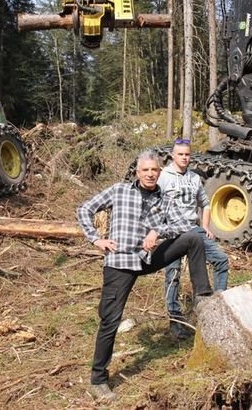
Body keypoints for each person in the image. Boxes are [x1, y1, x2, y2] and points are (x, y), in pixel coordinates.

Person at [77, 150, 213, 402]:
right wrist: (96, 239)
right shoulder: (119, 190)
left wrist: (156, 231)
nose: (150, 174)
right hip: (120, 261)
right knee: (110, 320)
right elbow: (85, 209)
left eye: (154, 170)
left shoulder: (164, 198)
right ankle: (98, 379)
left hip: (148, 257)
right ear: (137, 173)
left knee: (194, 237)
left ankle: (203, 296)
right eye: (145, 170)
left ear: (159, 173)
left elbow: (181, 224)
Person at [158, 138, 229, 339]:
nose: (184, 158)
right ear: (173, 155)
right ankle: (176, 320)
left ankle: (217, 309)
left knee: (221, 260)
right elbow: (154, 204)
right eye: (180, 154)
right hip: (173, 233)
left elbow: (205, 204)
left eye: (187, 154)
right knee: (173, 273)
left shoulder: (194, 178)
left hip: (194, 231)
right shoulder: (163, 177)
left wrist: (205, 226)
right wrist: (157, 230)